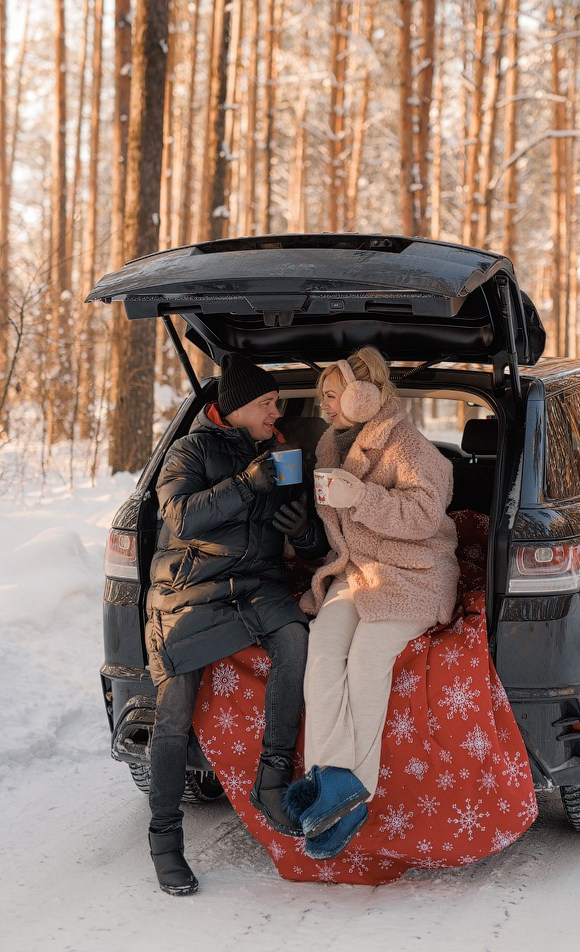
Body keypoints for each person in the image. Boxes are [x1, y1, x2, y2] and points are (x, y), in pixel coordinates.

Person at [145, 353, 328, 896]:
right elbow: (181, 517)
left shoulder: (282, 451)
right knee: (173, 710)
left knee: (295, 637)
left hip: (256, 585)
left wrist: (306, 533)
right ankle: (164, 841)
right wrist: (250, 484)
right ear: (242, 407)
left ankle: (271, 780)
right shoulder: (190, 450)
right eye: (270, 402)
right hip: (189, 589)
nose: (279, 410)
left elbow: (314, 538)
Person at [285, 346, 460, 859]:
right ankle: (328, 781)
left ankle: (349, 793)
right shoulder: (329, 446)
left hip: (412, 577)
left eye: (332, 396)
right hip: (357, 573)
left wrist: (360, 497)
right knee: (323, 651)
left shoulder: (410, 447)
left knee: (365, 661)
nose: (324, 408)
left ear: (364, 397)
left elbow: (425, 516)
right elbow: (334, 527)